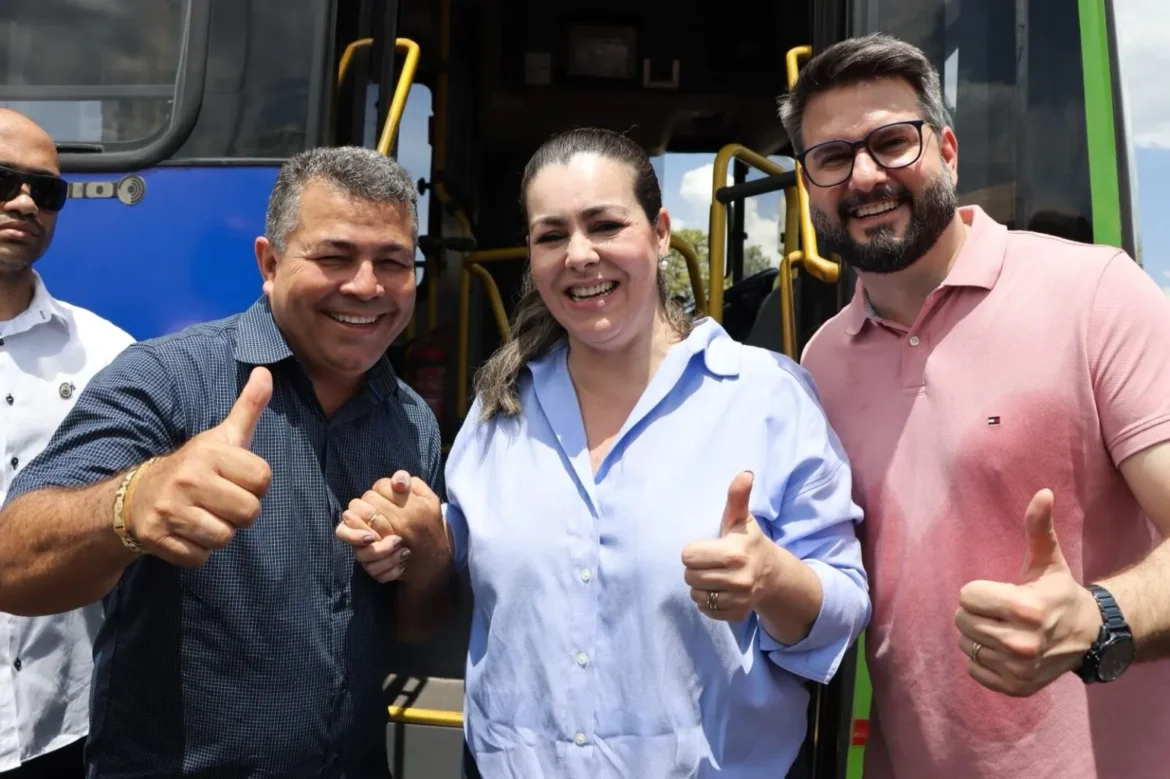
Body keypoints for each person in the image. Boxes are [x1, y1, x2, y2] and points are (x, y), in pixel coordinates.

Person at [338, 127, 871, 778]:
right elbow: (469, 586)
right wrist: (416, 538)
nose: (580, 254)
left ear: (660, 231)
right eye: (552, 235)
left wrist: (771, 579)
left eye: (605, 224)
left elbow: (842, 609)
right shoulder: (496, 409)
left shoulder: (768, 398)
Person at [780, 32, 1170, 779]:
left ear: (949, 151)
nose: (864, 175)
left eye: (893, 142)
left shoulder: (1095, 295)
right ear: (809, 187)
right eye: (832, 157)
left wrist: (1098, 618)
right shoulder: (820, 363)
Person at [0, 146, 451, 778]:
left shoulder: (411, 421)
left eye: (393, 262)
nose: (367, 286)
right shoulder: (166, 379)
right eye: (334, 256)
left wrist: (429, 560)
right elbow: (13, 560)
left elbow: (414, 629)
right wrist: (133, 500)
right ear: (269, 263)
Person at [0, 109, 134, 778]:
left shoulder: (113, 357)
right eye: (4, 181)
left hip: (62, 731)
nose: (25, 201)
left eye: (45, 190)